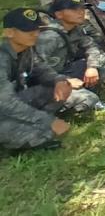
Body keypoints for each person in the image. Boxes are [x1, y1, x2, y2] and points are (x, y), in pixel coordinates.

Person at [1, 8, 72, 151]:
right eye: (28, 30)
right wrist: (48, 121)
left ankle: (32, 123)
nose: (35, 34)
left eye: (36, 29)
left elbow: (43, 70)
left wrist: (59, 80)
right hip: (5, 106)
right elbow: (5, 101)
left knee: (60, 88)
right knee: (41, 135)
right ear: (9, 33)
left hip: (15, 103)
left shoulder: (26, 49)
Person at [35, 0, 105, 112]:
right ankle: (49, 109)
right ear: (58, 14)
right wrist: (64, 81)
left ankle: (86, 96)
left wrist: (92, 67)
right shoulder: (49, 37)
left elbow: (92, 47)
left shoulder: (75, 29)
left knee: (102, 60)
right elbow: (36, 70)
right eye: (74, 9)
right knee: (89, 98)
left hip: (63, 72)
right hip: (45, 83)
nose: (80, 12)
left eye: (82, 8)